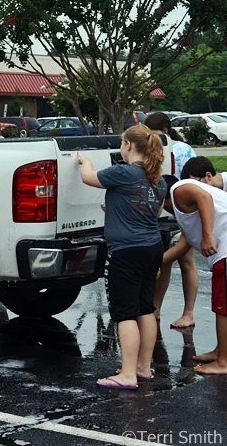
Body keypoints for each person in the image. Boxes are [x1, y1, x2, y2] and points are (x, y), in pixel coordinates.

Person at [77, 124, 167, 389]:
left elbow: (88, 178)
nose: (120, 148)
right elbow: (157, 213)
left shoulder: (123, 172)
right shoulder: (157, 179)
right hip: (152, 247)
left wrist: (84, 160)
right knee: (144, 308)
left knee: (125, 312)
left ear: (128, 145)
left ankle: (127, 374)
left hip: (126, 251)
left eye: (121, 143)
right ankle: (142, 367)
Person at [161, 175, 227, 375]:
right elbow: (182, 247)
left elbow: (204, 197)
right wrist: (150, 264)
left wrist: (207, 236)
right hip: (222, 252)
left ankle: (223, 362)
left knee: (223, 308)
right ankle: (220, 352)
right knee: (221, 306)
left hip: (225, 250)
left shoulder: (179, 189)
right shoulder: (184, 213)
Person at [145, 112, 198, 328]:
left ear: (165, 131)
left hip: (181, 211)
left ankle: (189, 312)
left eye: (155, 134)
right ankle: (155, 308)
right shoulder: (151, 149)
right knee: (164, 261)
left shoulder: (182, 150)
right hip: (161, 212)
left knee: (186, 262)